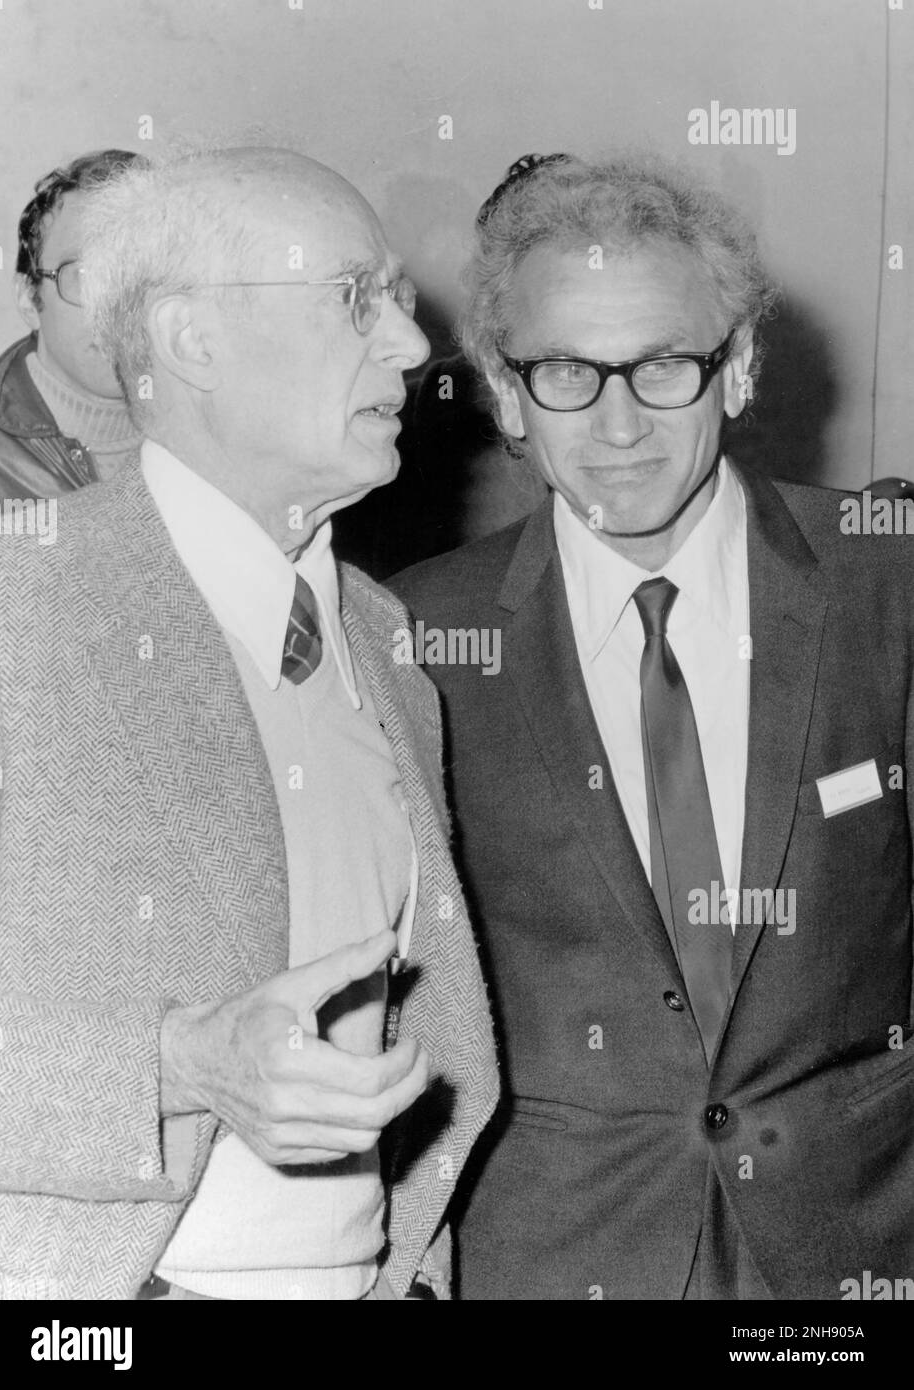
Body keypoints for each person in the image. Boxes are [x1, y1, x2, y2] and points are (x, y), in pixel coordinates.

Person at [392, 152, 914, 1300]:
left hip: (855, 1251)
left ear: (739, 372)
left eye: (665, 365)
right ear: (501, 389)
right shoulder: (412, 633)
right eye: (567, 371)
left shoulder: (889, 581)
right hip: (559, 1254)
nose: (618, 423)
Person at [0, 146, 497, 1301]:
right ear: (191, 339)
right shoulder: (6, 605)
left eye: (405, 304)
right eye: (354, 299)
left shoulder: (382, 635)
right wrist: (177, 1063)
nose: (415, 348)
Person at [0, 149, 145, 498]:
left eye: (139, 275)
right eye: (86, 275)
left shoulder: (223, 441)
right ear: (29, 298)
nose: (117, 306)